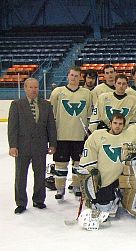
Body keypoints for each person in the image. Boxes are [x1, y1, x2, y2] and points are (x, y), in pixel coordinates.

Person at [8, 78, 57, 214]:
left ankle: (39, 199)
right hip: (22, 147)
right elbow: (12, 127)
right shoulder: (17, 104)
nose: (34, 90)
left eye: (36, 87)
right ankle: (21, 202)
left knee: (40, 175)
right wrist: (13, 145)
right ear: (25, 88)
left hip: (40, 146)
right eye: (31, 87)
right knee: (20, 175)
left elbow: (51, 127)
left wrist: (52, 143)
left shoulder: (46, 105)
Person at [79, 113, 136, 217]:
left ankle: (126, 201)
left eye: (120, 124)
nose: (117, 126)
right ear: (110, 123)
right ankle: (113, 197)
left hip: (123, 177)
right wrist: (90, 172)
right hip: (103, 180)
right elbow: (87, 158)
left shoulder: (130, 135)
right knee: (103, 208)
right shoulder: (97, 136)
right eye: (115, 123)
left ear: (124, 125)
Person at [50, 66, 92, 200]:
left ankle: (76, 185)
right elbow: (53, 114)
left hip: (80, 136)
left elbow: (89, 114)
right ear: (68, 76)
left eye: (76, 76)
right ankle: (60, 188)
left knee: (78, 163)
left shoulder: (86, 93)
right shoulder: (58, 92)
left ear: (80, 78)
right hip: (62, 135)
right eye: (72, 75)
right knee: (60, 164)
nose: (74, 78)